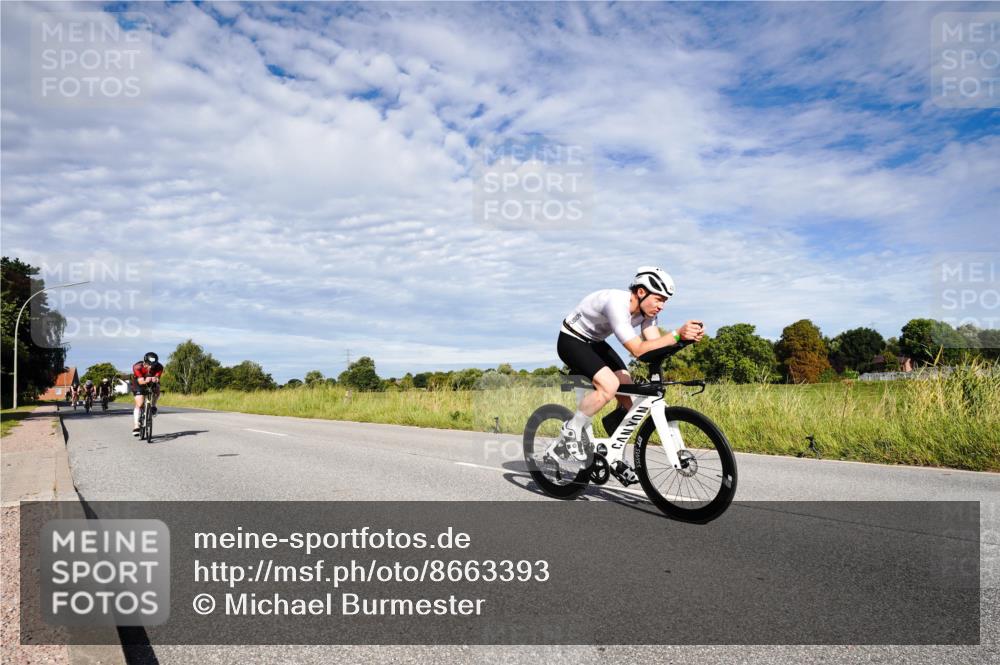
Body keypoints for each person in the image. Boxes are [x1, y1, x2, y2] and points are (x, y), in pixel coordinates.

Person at [557, 266, 705, 476]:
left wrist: (684, 341)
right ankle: (571, 429)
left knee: (628, 397)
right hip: (571, 340)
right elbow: (637, 350)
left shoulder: (647, 313)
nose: (661, 306)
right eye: (659, 299)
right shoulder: (616, 303)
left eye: (665, 301)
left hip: (595, 342)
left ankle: (613, 454)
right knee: (609, 386)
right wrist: (677, 334)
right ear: (641, 292)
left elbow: (653, 347)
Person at [131, 351, 164, 435]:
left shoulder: (159, 367)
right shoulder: (137, 367)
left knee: (157, 389)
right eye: (149, 365)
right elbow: (141, 381)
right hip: (139, 383)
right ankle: (136, 426)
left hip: (150, 381)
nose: (151, 367)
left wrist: (156, 379)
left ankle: (153, 406)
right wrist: (146, 380)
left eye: (153, 365)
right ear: (145, 362)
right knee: (139, 404)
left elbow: (157, 377)